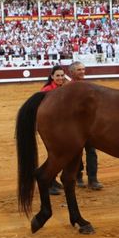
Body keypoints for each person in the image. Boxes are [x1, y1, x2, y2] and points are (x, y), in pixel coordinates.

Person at [69, 61, 103, 190]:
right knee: (76, 153)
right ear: (72, 73)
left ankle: (93, 179)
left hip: (89, 127)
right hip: (75, 128)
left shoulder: (88, 86)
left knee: (91, 152)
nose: (82, 72)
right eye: (79, 70)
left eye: (83, 69)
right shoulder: (68, 89)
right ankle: (78, 177)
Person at [40, 65, 68, 195]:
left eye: (62, 75)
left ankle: (53, 180)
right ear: (52, 77)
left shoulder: (64, 89)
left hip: (63, 127)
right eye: (58, 76)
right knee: (57, 155)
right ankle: (49, 181)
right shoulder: (46, 90)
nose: (60, 78)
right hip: (52, 128)